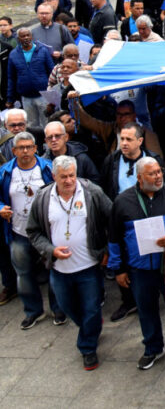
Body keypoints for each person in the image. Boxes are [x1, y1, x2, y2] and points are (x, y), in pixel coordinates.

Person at [108, 156, 165, 369]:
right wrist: (118, 269)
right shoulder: (122, 202)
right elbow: (114, 238)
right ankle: (153, 348)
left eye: (159, 171)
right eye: (152, 173)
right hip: (140, 269)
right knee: (146, 309)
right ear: (139, 177)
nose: (158, 176)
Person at [25, 156, 110, 370]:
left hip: (89, 267)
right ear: (54, 176)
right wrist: (50, 250)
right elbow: (33, 232)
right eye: (63, 177)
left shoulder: (92, 193)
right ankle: (91, 327)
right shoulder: (43, 197)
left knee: (91, 308)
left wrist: (108, 250)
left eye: (72, 175)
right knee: (67, 307)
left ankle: (88, 348)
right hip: (59, 269)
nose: (69, 180)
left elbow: (113, 220)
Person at [0, 133, 62, 329]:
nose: (25, 151)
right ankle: (33, 311)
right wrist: (0, 208)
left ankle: (58, 309)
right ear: (14, 151)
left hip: (46, 231)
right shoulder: (4, 171)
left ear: (36, 148)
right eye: (21, 148)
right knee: (23, 274)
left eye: (29, 147)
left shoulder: (48, 167)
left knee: (54, 270)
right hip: (18, 231)